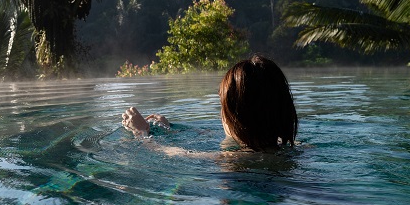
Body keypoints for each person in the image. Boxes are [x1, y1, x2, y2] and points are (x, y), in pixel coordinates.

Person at [121, 55, 298, 151]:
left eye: (223, 106)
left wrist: (141, 132)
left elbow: (162, 152)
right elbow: (211, 134)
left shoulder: (232, 161)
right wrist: (169, 129)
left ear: (236, 117)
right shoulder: (292, 147)